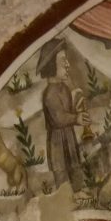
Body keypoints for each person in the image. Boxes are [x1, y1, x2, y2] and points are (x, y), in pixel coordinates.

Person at [37, 40, 89, 192]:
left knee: (75, 166)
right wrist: (76, 118)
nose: (67, 65)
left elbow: (68, 110)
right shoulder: (50, 94)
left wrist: (77, 105)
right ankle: (66, 201)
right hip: (57, 142)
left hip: (69, 138)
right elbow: (58, 117)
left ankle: (79, 194)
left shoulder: (64, 88)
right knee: (62, 173)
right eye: (62, 61)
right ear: (52, 65)